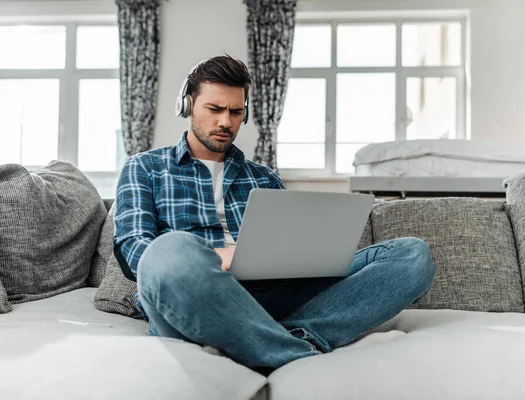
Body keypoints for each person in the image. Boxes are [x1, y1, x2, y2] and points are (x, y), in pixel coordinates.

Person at [113, 55, 435, 374]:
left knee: (413, 255)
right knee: (167, 253)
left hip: (271, 296)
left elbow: (286, 246)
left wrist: (310, 254)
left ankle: (274, 340)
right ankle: (297, 352)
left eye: (236, 112)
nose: (226, 121)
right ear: (188, 105)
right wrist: (218, 257)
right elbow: (133, 250)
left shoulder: (263, 177)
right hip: (197, 293)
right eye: (215, 109)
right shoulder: (145, 168)